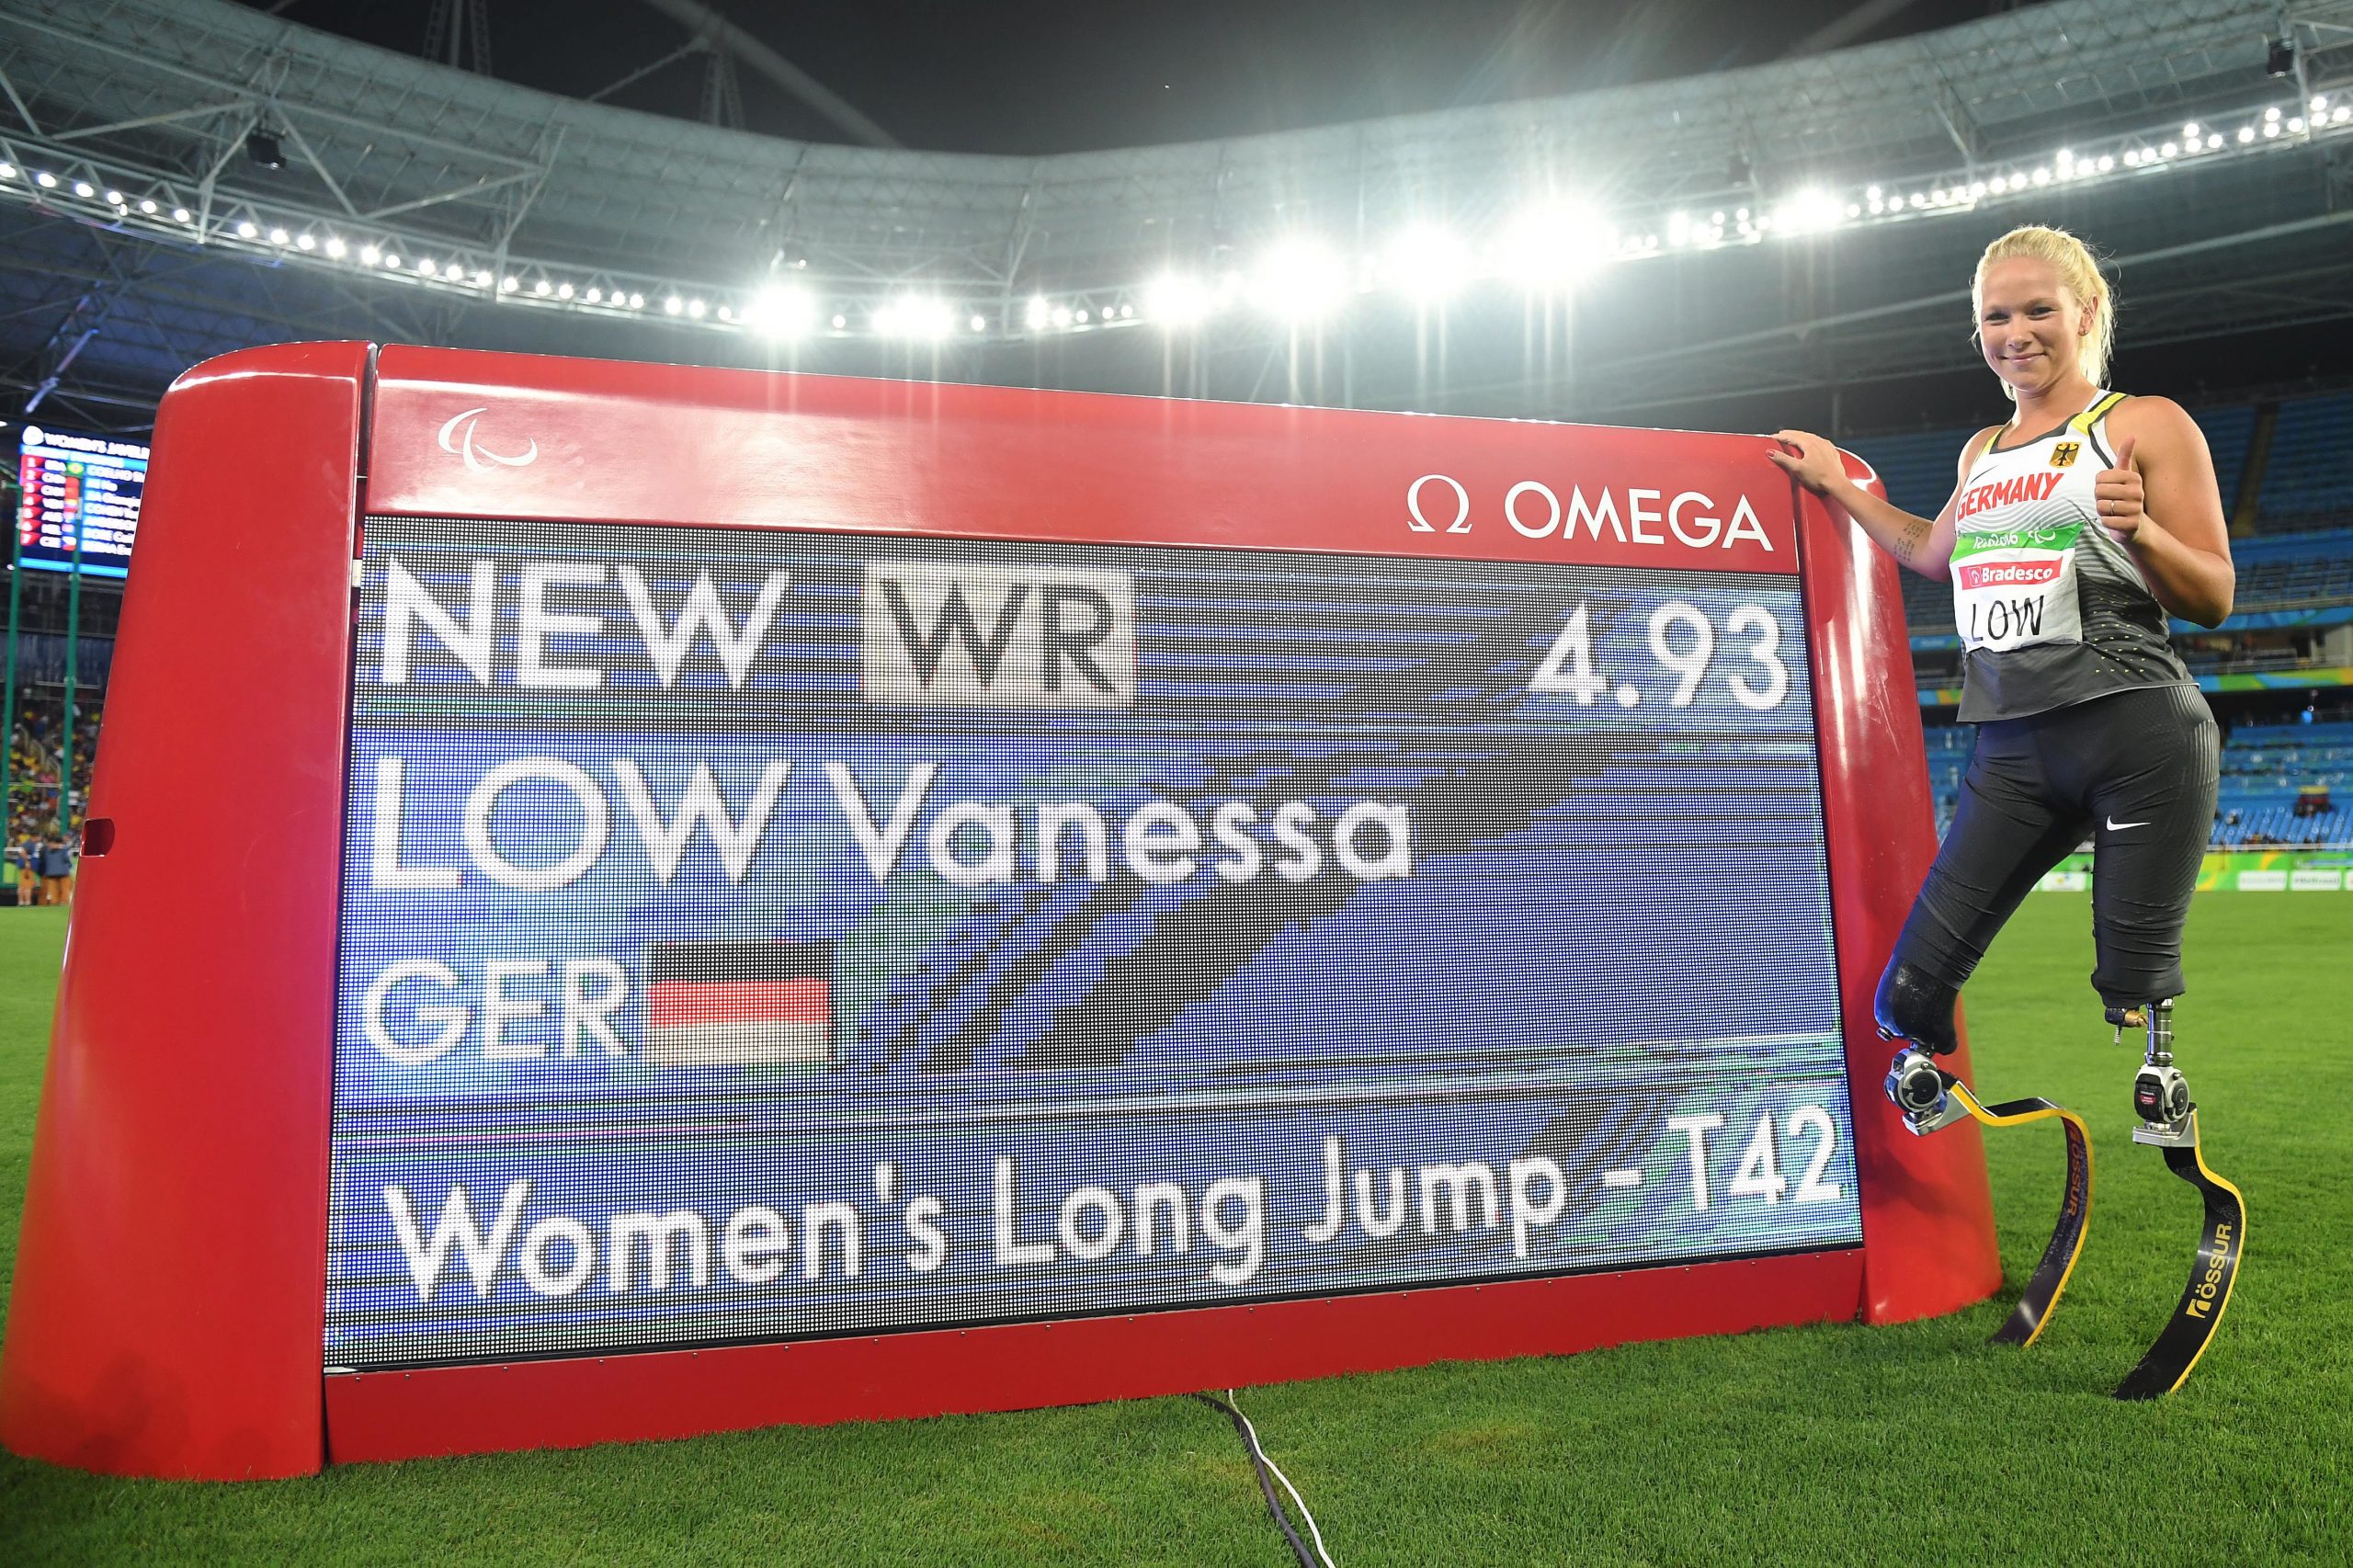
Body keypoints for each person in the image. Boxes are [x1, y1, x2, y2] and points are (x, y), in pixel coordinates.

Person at [1765, 223, 2234, 1141]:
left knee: (2134, 975)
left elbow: (2213, 591)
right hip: (2009, 747)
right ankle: (1922, 1085)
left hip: (2133, 730)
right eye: (1994, 316)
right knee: (1912, 979)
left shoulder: (2141, 425)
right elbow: (1929, 553)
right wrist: (1836, 484)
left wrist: (2141, 532)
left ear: (2085, 312)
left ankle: (2162, 1089)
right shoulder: (1980, 450)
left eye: (2036, 310)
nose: (2013, 333)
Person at [39, 825, 74, 908]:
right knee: (64, 889)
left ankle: (54, 903)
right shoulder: (63, 850)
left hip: (51, 872)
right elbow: (66, 859)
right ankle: (64, 903)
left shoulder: (46, 850)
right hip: (63, 872)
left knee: (53, 890)